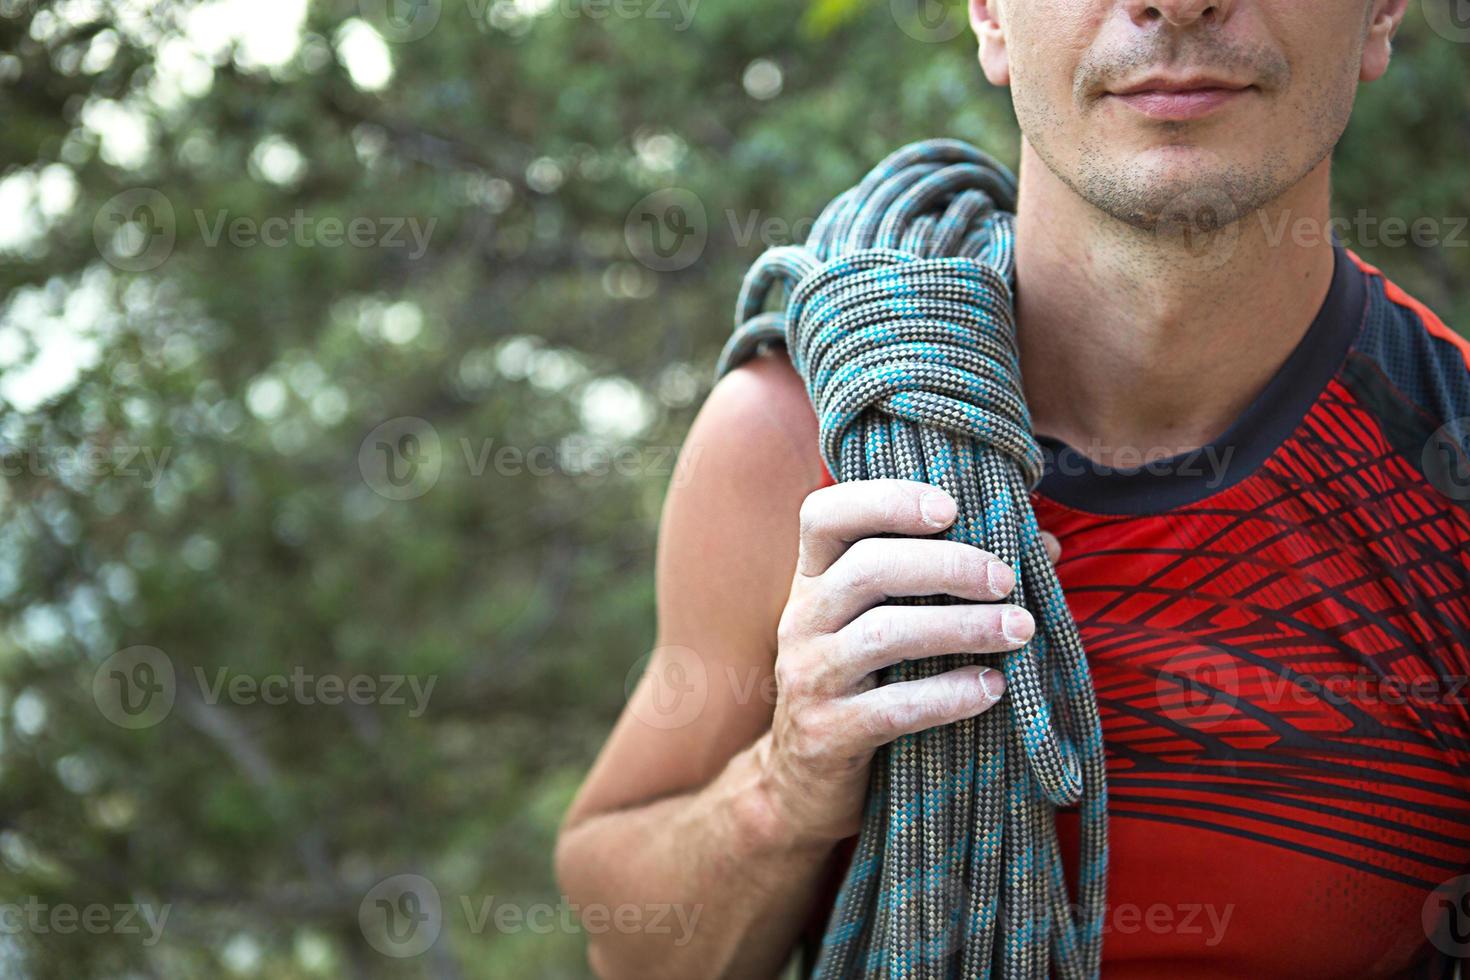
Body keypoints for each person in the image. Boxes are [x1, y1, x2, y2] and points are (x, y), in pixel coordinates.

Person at [556, 1, 1470, 976]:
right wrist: (781, 789)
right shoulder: (796, 442)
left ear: (1380, 15)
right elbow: (627, 942)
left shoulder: (1444, 477)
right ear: (990, 15)